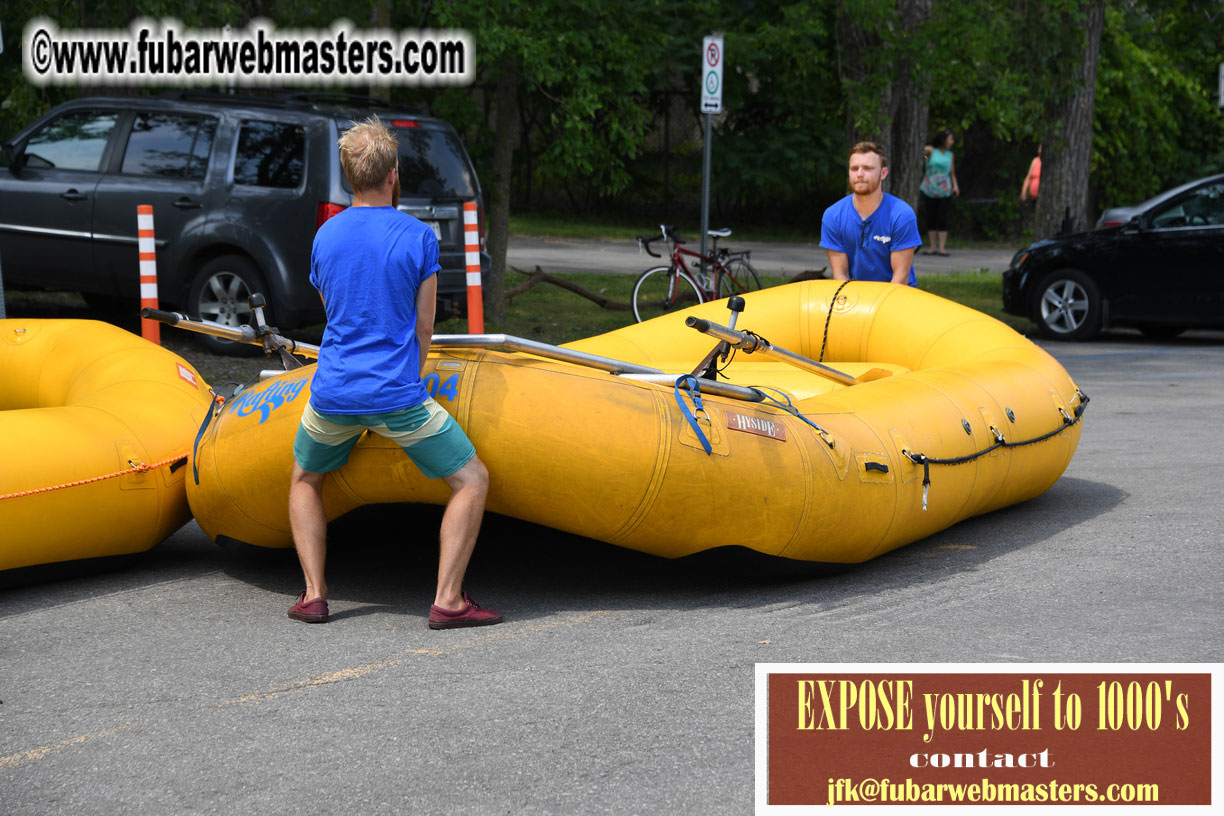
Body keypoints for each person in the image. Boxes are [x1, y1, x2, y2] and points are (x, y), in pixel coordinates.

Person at [286, 117, 501, 630]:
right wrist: (408, 380)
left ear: (348, 176)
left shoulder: (325, 235)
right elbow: (423, 325)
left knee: (304, 478)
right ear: (394, 174)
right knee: (472, 480)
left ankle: (314, 595)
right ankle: (448, 600)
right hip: (397, 396)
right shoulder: (419, 237)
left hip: (333, 394)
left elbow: (335, 311)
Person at [820, 141, 921, 286]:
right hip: (855, 299)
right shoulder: (833, 216)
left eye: (867, 168)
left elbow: (900, 278)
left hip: (896, 297)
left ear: (883, 173)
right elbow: (841, 275)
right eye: (854, 169)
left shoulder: (901, 215)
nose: (860, 174)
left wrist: (877, 308)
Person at [919, 129, 959, 256]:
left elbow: (952, 172)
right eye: (950, 139)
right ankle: (932, 247)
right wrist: (926, 155)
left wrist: (955, 186)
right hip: (929, 187)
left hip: (945, 189)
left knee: (942, 217)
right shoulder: (931, 151)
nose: (952, 142)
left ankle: (942, 248)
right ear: (943, 140)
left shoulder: (950, 155)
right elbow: (922, 153)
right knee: (931, 217)